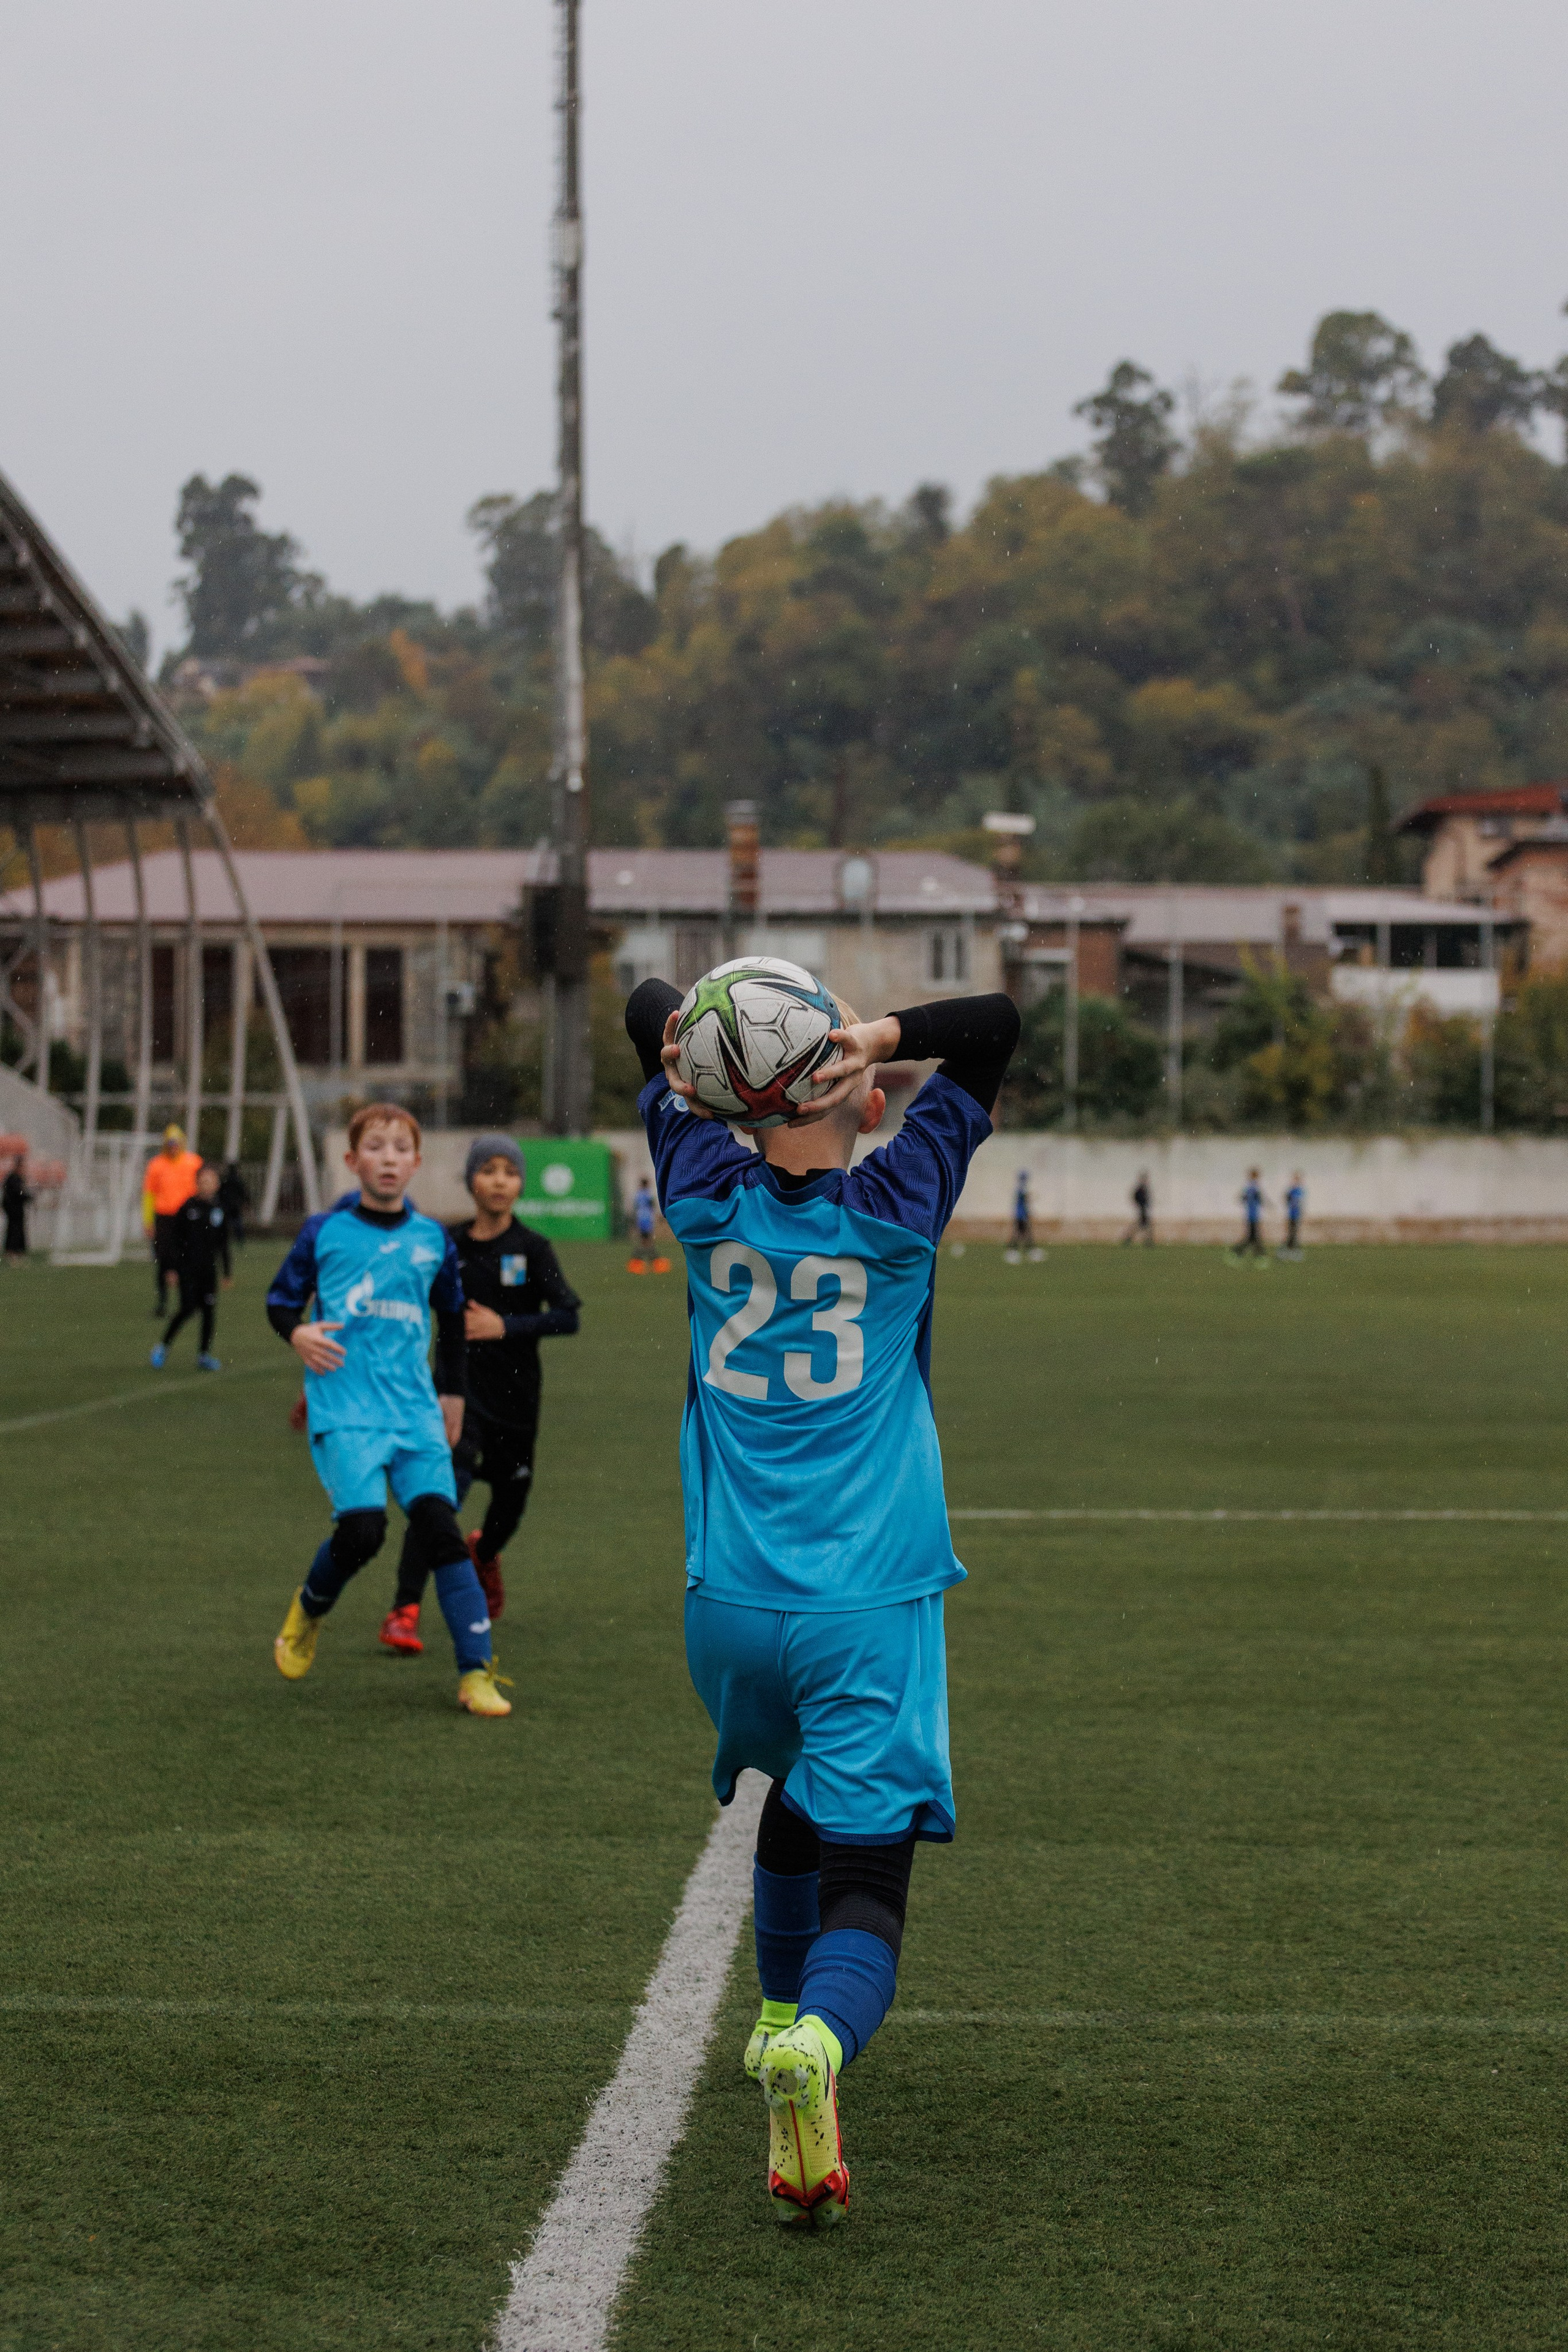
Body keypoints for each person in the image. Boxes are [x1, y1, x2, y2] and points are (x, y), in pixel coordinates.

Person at [626, 972, 1019, 2228]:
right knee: (871, 1871)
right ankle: (815, 2045)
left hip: (727, 1605)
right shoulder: (900, 1204)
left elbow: (649, 1005)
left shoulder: (695, 1187)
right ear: (842, 1093)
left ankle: (783, 2024)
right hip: (864, 1599)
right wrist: (876, 1039)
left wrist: (738, 1064)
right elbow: (995, 1028)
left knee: (792, 1803)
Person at [265, 1102, 512, 1719]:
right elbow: (279, 1303)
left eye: (400, 1149)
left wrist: (451, 1395)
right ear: (353, 1161)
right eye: (375, 1148)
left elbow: (452, 1319)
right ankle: (310, 1610)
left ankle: (476, 1673)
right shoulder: (323, 1231)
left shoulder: (432, 1239)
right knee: (363, 1531)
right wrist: (295, 1334)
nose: (388, 1159)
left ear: (416, 1163)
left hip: (415, 1413)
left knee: (440, 1531)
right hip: (345, 1406)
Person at [380, 1136, 581, 1656]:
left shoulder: (532, 1248)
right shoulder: (446, 1244)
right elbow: (402, 1293)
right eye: (488, 1170)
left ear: (519, 1184)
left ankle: (485, 1552)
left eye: (509, 1172)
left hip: (517, 1401)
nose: (498, 1180)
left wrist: (505, 1325)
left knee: (511, 1502)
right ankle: (404, 1610)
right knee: (438, 1498)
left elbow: (567, 1314)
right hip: (456, 1396)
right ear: (471, 1180)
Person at [149, 1163, 232, 1369]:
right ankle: (163, 1346)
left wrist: (227, 1272)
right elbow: (173, 1241)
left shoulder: (219, 1209)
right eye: (203, 1181)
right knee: (187, 1309)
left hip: (208, 1270)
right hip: (187, 1269)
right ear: (197, 1184)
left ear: (216, 1184)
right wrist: (170, 1268)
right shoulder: (187, 1208)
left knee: (209, 1311)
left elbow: (223, 1243)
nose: (207, 1185)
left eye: (211, 1181)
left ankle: (204, 1355)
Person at [143, 1125, 203, 1316]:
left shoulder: (193, 1162)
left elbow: (202, 1189)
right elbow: (149, 1195)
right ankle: (162, 1302)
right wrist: (148, 1221)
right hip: (165, 1217)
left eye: (176, 1143)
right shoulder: (157, 1165)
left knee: (189, 1259)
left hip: (188, 1217)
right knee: (163, 1260)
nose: (173, 1147)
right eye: (170, 1143)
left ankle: (190, 1301)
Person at [1229, 1167, 1268, 1263]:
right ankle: (1258, 1255)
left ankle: (1240, 1252)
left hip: (1250, 1215)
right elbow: (1261, 1200)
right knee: (1253, 1237)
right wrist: (1270, 1206)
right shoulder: (1255, 1188)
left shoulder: (1248, 1188)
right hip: (1254, 1215)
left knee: (1252, 1237)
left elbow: (1242, 1199)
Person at [2, 1155, 32, 1264]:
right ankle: (14, 1251)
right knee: (15, 1230)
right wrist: (28, 1197)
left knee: (15, 1230)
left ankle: (15, 1251)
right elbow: (17, 1194)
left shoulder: (14, 1177)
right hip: (14, 1210)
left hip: (14, 1209)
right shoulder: (14, 1178)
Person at [218, 1159, 250, 1250]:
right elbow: (243, 1192)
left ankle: (223, 1240)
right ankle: (240, 1241)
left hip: (226, 1205)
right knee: (238, 1224)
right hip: (236, 1205)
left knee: (224, 1224)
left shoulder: (225, 1180)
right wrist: (244, 1202)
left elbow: (221, 1192)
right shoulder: (238, 1180)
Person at [1004, 1169, 1034, 1263]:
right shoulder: (1022, 1187)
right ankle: (1014, 1251)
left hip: (1020, 1214)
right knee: (1021, 1233)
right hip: (1021, 1215)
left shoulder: (1020, 1187)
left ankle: (1024, 1250)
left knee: (1022, 1232)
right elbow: (1025, 1200)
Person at [1121, 1172, 1153, 1246]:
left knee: (1142, 1226)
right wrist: (1140, 1205)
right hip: (1142, 1210)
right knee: (1142, 1226)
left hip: (1144, 1210)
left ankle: (1147, 1241)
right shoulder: (1140, 1189)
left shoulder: (1144, 1188)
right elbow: (1136, 1198)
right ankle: (1147, 1241)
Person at [1280, 1170, 1305, 1260]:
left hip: (1296, 1215)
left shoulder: (1300, 1191)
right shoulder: (1291, 1190)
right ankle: (1288, 1252)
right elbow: (1286, 1199)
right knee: (1291, 1234)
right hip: (1291, 1215)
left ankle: (1288, 1251)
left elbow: (1300, 1203)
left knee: (1293, 1234)